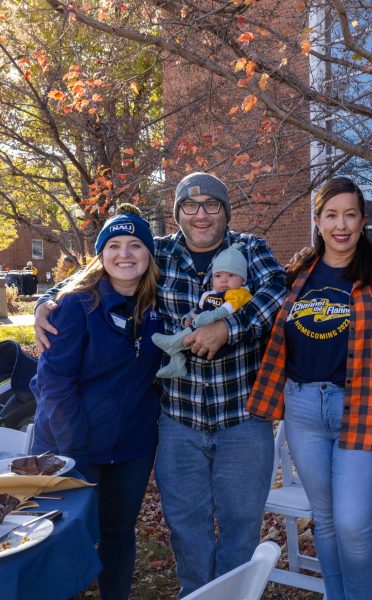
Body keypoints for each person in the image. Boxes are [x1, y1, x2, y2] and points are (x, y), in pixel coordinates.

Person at [34, 172, 287, 597]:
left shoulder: (249, 249)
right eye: (191, 205)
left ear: (225, 211)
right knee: (187, 532)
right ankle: (197, 593)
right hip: (178, 421)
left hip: (243, 417)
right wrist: (48, 298)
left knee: (241, 528)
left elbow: (278, 290)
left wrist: (229, 327)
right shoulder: (160, 253)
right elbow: (103, 268)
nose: (201, 214)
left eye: (212, 204)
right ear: (178, 213)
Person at [247, 177, 372, 600]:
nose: (341, 225)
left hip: (364, 407)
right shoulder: (296, 275)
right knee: (326, 519)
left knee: (352, 521)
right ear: (317, 220)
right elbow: (238, 290)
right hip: (303, 410)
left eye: (350, 214)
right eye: (331, 215)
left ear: (362, 219)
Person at [30, 205, 162, 600]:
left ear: (148, 254)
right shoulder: (74, 306)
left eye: (136, 244)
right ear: (101, 255)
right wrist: (74, 453)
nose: (125, 254)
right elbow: (54, 385)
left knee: (118, 533)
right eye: (115, 245)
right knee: (60, 536)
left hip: (131, 448)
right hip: (70, 447)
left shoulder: (156, 306)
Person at [152, 242, 252, 378]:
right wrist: (187, 317)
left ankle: (172, 343)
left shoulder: (239, 293)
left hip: (221, 341)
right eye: (218, 276)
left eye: (231, 275)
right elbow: (198, 308)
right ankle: (178, 363)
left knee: (186, 337)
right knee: (188, 336)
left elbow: (228, 309)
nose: (223, 280)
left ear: (242, 279)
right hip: (200, 327)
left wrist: (211, 317)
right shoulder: (209, 294)